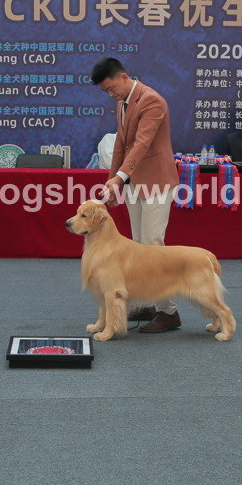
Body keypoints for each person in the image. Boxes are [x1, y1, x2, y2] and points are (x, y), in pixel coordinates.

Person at [91, 57, 181, 332]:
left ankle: (169, 312)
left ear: (123, 77)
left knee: (153, 246)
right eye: (105, 92)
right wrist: (112, 183)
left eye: (111, 88)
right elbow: (121, 145)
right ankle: (147, 303)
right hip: (134, 182)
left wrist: (119, 177)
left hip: (157, 182)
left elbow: (141, 144)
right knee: (138, 247)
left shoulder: (152, 101)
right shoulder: (122, 103)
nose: (110, 95)